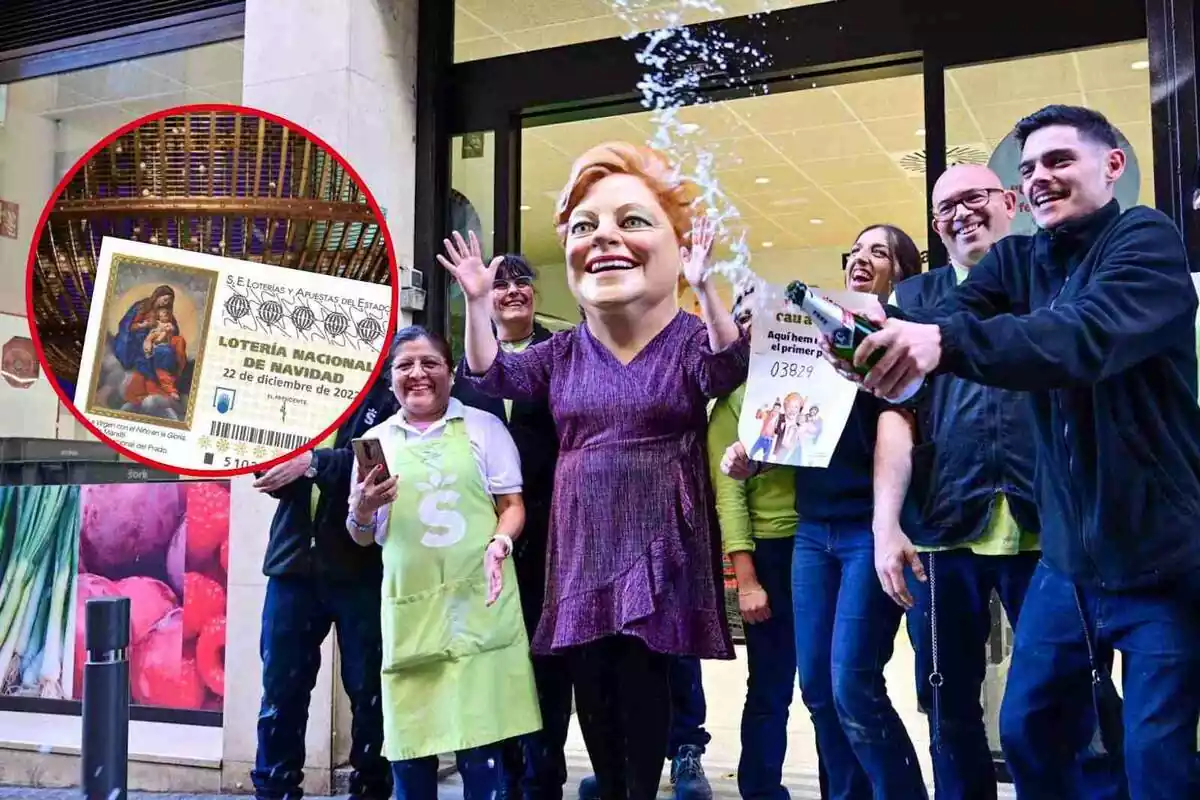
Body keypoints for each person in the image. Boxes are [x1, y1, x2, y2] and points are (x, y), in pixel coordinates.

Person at [844, 105, 1200, 798]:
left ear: (1112, 165)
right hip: (1070, 563)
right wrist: (875, 340)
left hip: (1161, 554)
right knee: (1029, 726)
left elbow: (1081, 337)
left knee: (1158, 753)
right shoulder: (1018, 258)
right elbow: (955, 315)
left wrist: (941, 345)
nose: (1040, 177)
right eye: (1029, 166)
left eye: (1059, 160)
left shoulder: (1145, 241)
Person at [441, 141, 748, 800]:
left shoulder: (689, 337)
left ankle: (638, 789)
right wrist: (475, 303)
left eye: (632, 221)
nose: (604, 238)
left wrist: (705, 288)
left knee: (643, 670)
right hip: (584, 527)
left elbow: (727, 366)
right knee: (591, 673)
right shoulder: (562, 351)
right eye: (585, 226)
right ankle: (609, 785)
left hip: (661, 521)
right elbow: (491, 372)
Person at [873, 163, 1126, 800]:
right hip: (943, 532)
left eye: (974, 198)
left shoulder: (1060, 281)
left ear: (1009, 202)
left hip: (1052, 531)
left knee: (1074, 695)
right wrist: (886, 524)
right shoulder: (913, 301)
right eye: (944, 207)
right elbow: (897, 419)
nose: (960, 214)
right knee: (947, 705)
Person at [723, 224, 928, 799]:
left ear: (901, 272)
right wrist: (754, 456)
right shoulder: (820, 339)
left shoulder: (900, 343)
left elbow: (903, 429)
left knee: (852, 683)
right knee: (815, 686)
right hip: (813, 532)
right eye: (855, 252)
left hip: (870, 532)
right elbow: (795, 434)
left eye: (878, 253)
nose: (861, 260)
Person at [347, 325, 542, 800]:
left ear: (451, 375)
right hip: (412, 617)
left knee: (483, 757)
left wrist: (500, 542)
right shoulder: (376, 441)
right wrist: (363, 508)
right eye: (405, 366)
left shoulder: (483, 428)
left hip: (480, 608)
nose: (418, 374)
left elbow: (512, 505)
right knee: (412, 759)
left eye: (430, 363)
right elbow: (362, 537)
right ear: (390, 378)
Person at [451, 253, 573, 800]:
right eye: (500, 284)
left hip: (554, 535)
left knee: (548, 663)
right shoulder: (460, 371)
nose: (512, 291)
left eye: (522, 282)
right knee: (491, 658)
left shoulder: (565, 355)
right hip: (482, 542)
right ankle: (497, 779)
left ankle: (543, 779)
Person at [249, 362, 399, 800]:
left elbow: (376, 466)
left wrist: (311, 463)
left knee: (369, 692)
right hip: (291, 568)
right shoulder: (298, 388)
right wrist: (276, 464)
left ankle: (371, 789)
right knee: (281, 691)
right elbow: (270, 474)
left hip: (361, 571)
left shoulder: (386, 392)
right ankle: (274, 790)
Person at [707, 290, 806, 800]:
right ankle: (761, 790)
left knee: (828, 688)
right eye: (747, 320)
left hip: (822, 547)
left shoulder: (813, 389)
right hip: (768, 553)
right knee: (770, 687)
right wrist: (746, 580)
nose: (757, 329)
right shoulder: (734, 401)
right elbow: (730, 498)